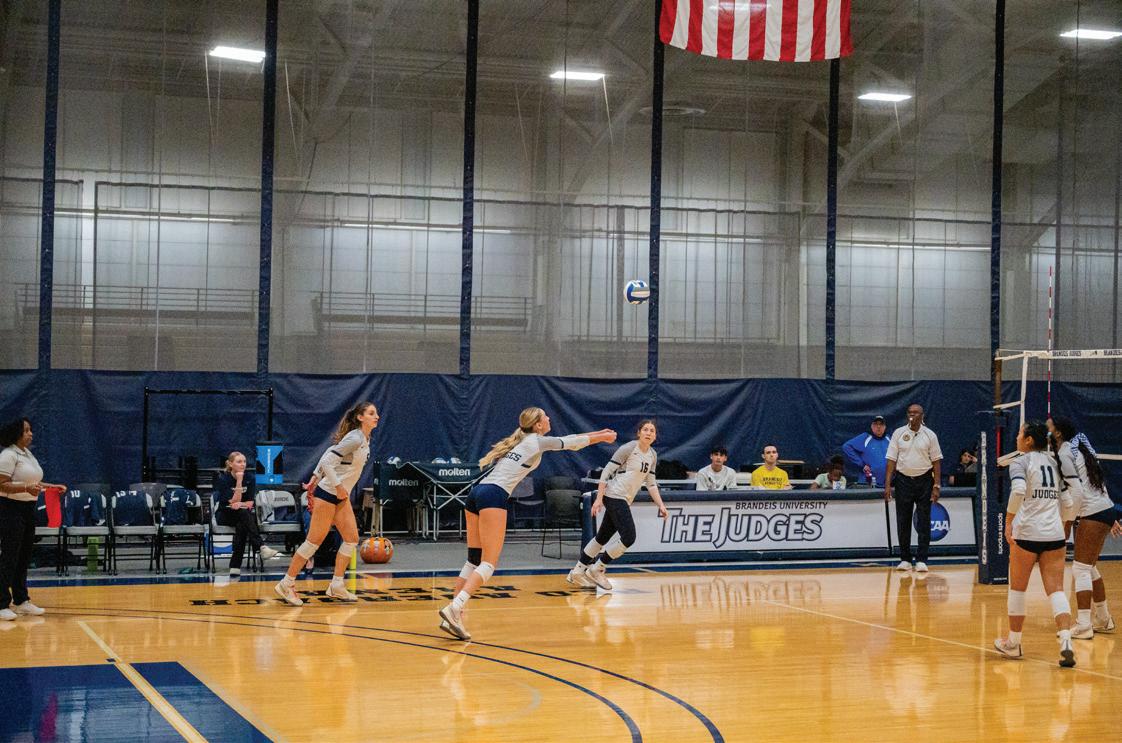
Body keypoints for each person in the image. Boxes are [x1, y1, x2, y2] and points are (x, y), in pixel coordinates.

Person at [438, 408, 616, 640]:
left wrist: (599, 433)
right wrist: (601, 437)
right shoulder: (535, 442)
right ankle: (455, 608)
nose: (549, 418)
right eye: (545, 416)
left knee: (473, 560)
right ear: (538, 425)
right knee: (488, 564)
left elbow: (572, 439)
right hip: (493, 495)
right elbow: (571, 442)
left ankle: (453, 612)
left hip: (477, 492)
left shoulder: (522, 441)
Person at [274, 401, 380, 606]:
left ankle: (337, 585)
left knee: (351, 539)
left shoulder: (363, 438)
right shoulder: (355, 437)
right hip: (329, 494)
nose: (376, 416)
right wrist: (336, 485)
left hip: (340, 495)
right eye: (371, 413)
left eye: (376, 413)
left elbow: (330, 451)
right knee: (313, 542)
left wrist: (315, 475)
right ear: (360, 417)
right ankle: (286, 583)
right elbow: (329, 461)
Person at [993, 421, 1077, 668]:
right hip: (1054, 535)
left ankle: (1013, 643)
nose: (1017, 437)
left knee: (1018, 589)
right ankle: (1066, 640)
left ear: (1029, 440)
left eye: (1020, 433)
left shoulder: (1021, 462)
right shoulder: (1054, 462)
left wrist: (1009, 521)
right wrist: (1062, 525)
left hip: (1028, 534)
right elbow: (1068, 502)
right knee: (1057, 590)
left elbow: (1018, 491)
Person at [568, 420, 669, 591]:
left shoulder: (652, 455)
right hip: (614, 494)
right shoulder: (629, 448)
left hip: (624, 498)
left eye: (652, 430)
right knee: (629, 537)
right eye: (645, 429)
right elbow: (606, 472)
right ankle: (598, 568)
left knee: (602, 537)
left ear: (655, 436)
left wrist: (661, 505)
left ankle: (577, 571)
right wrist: (599, 499)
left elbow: (651, 484)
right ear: (639, 433)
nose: (648, 433)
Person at [1049, 417, 1119, 637]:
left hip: (1093, 512)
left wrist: (1067, 522)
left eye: (1049, 427)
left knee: (1080, 569)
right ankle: (1103, 619)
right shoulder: (1079, 450)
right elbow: (1096, 485)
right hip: (1103, 509)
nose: (1046, 430)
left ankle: (1084, 625)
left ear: (1058, 433)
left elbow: (1078, 492)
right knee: (1089, 567)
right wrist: (1110, 515)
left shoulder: (1065, 453)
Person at [0, 417, 66, 621]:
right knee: (9, 556)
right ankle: (1, 603)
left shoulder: (27, 454)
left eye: (30, 430)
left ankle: (21, 601)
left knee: (23, 556)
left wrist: (51, 487)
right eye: (26, 430)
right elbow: (2, 484)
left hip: (28, 509)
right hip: (10, 509)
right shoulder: (8, 455)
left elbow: (33, 482)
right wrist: (25, 488)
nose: (31, 434)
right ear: (17, 434)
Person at [884, 403, 942, 573]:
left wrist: (936, 485)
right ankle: (905, 559)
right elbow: (891, 460)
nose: (912, 415)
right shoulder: (898, 433)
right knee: (903, 520)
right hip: (903, 481)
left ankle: (922, 559)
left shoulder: (930, 435)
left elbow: (936, 462)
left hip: (925, 481)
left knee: (923, 520)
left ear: (922, 416)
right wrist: (887, 484)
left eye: (916, 413)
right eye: (910, 412)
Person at [213, 451, 280, 576]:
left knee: (242, 523)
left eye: (244, 461)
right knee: (244, 515)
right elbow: (232, 502)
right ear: (231, 464)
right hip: (225, 514)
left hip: (241, 514)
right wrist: (239, 481)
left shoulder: (250, 478)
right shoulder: (223, 479)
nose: (243, 464)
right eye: (239, 462)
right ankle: (261, 547)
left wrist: (240, 504)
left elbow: (249, 503)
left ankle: (235, 567)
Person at [842, 415, 890, 486]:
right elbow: (846, 447)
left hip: (886, 484)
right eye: (875, 424)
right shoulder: (865, 437)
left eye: (881, 424)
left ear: (885, 427)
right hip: (868, 482)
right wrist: (862, 464)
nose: (878, 426)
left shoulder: (888, 438)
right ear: (872, 426)